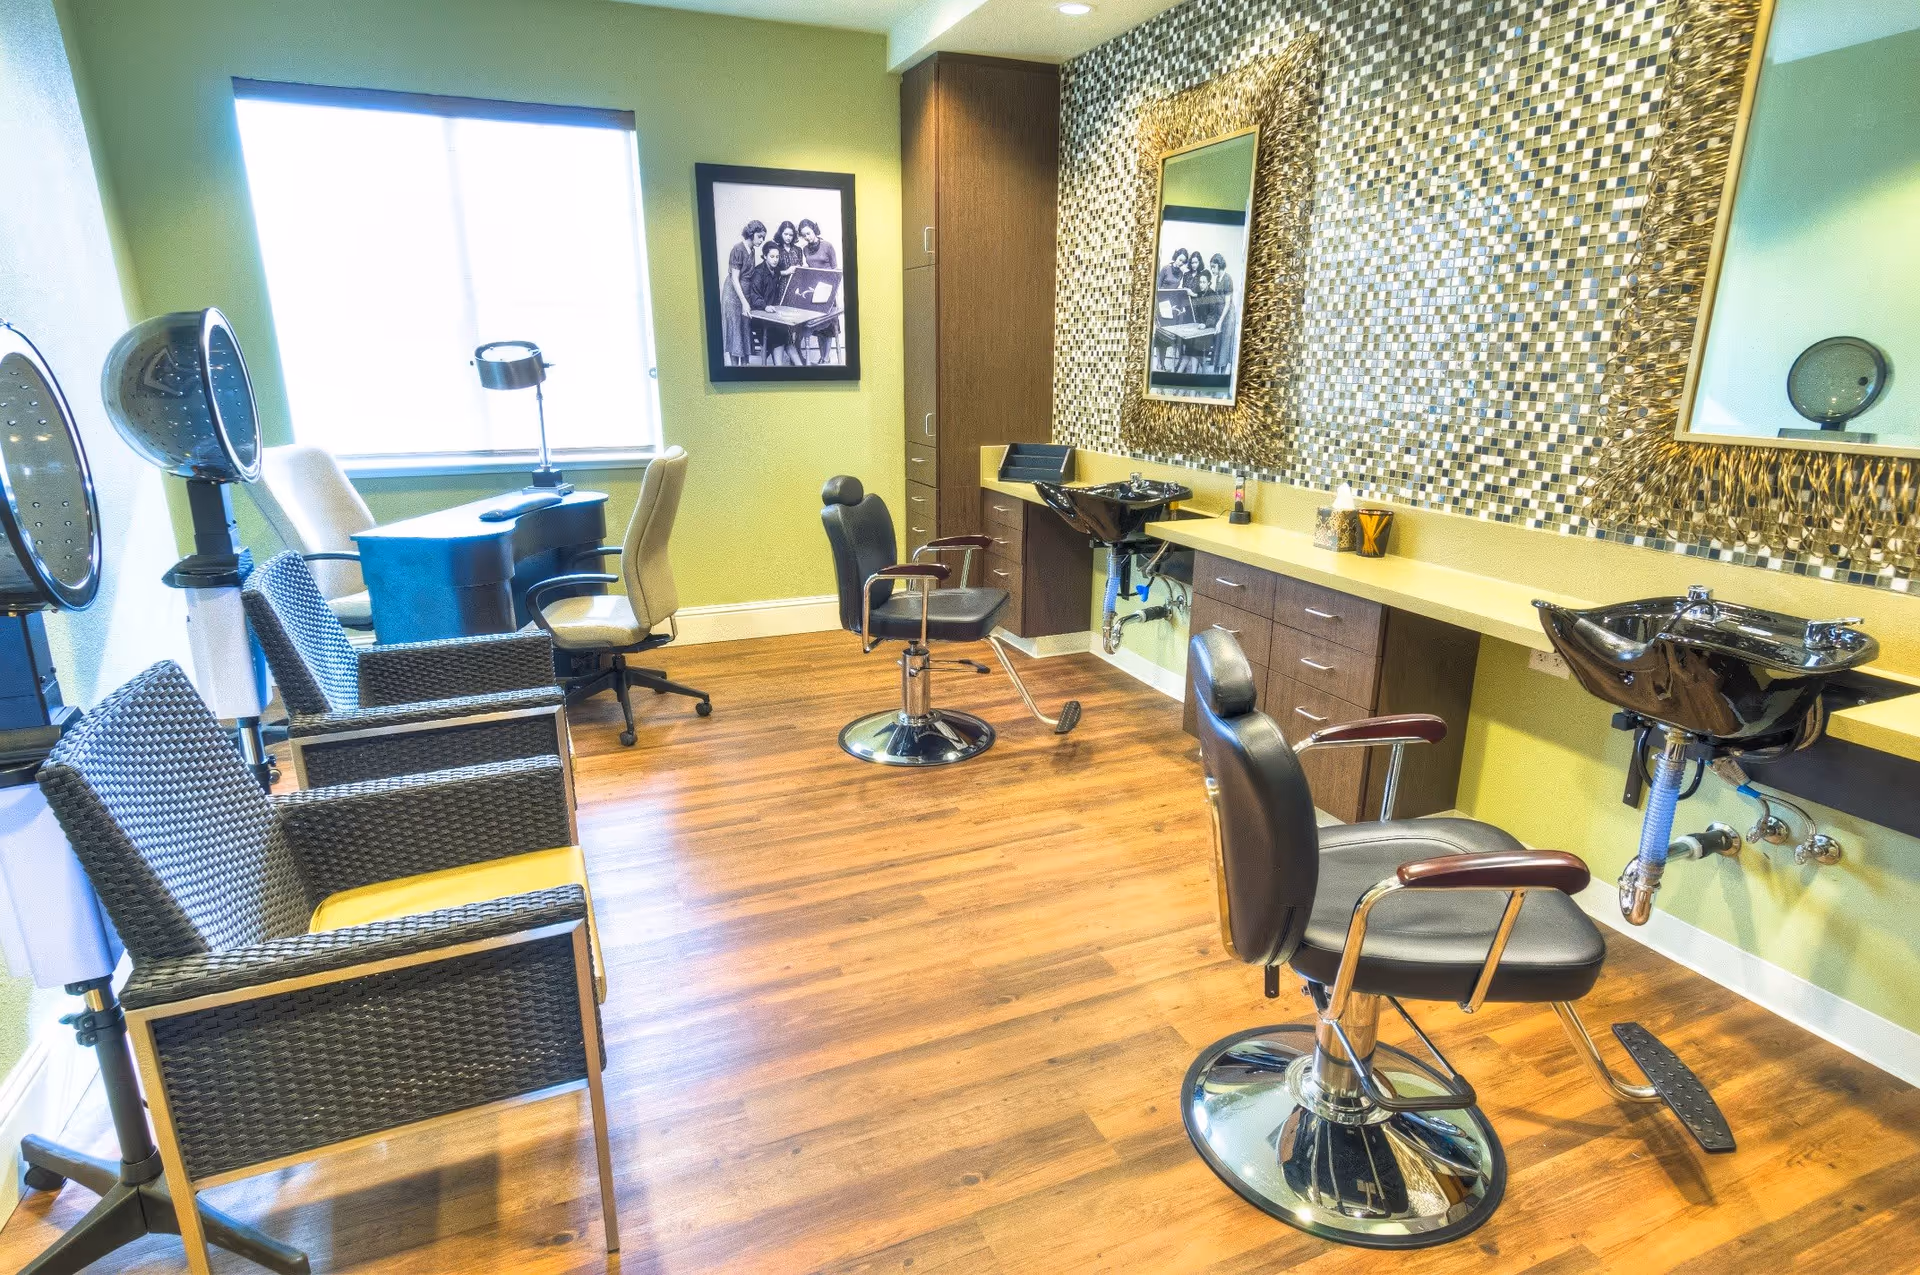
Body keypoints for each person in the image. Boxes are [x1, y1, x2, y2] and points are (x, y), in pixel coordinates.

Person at [720, 220, 766, 366]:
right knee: (735, 332)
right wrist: (745, 302)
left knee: (744, 330)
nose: (761, 240)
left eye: (763, 237)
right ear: (751, 234)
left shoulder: (752, 250)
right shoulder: (738, 249)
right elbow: (735, 278)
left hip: (744, 293)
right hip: (733, 295)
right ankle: (735, 369)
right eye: (760, 236)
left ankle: (745, 367)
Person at [745, 242, 799, 366]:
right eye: (772, 257)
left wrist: (789, 271)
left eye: (777, 257)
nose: (775, 260)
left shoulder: (775, 270)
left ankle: (802, 369)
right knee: (779, 337)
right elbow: (754, 297)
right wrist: (765, 306)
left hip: (772, 317)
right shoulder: (758, 273)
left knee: (787, 338)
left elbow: (781, 272)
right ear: (765, 256)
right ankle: (779, 369)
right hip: (758, 317)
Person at [796, 219, 841, 364]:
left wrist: (833, 290)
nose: (807, 237)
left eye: (808, 233)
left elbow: (836, 270)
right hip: (815, 290)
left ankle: (825, 358)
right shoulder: (805, 250)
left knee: (828, 326)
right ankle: (823, 358)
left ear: (814, 230)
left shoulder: (827, 246)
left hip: (828, 289)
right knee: (819, 326)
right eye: (804, 235)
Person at [1207, 252, 1238, 375]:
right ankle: (1217, 374)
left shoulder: (1227, 279)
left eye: (1214, 267)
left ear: (1219, 265)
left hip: (1227, 316)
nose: (1212, 270)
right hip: (1220, 315)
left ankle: (1223, 376)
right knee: (1218, 345)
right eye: (1211, 267)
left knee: (1224, 346)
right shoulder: (1217, 279)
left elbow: (1227, 303)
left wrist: (1220, 321)